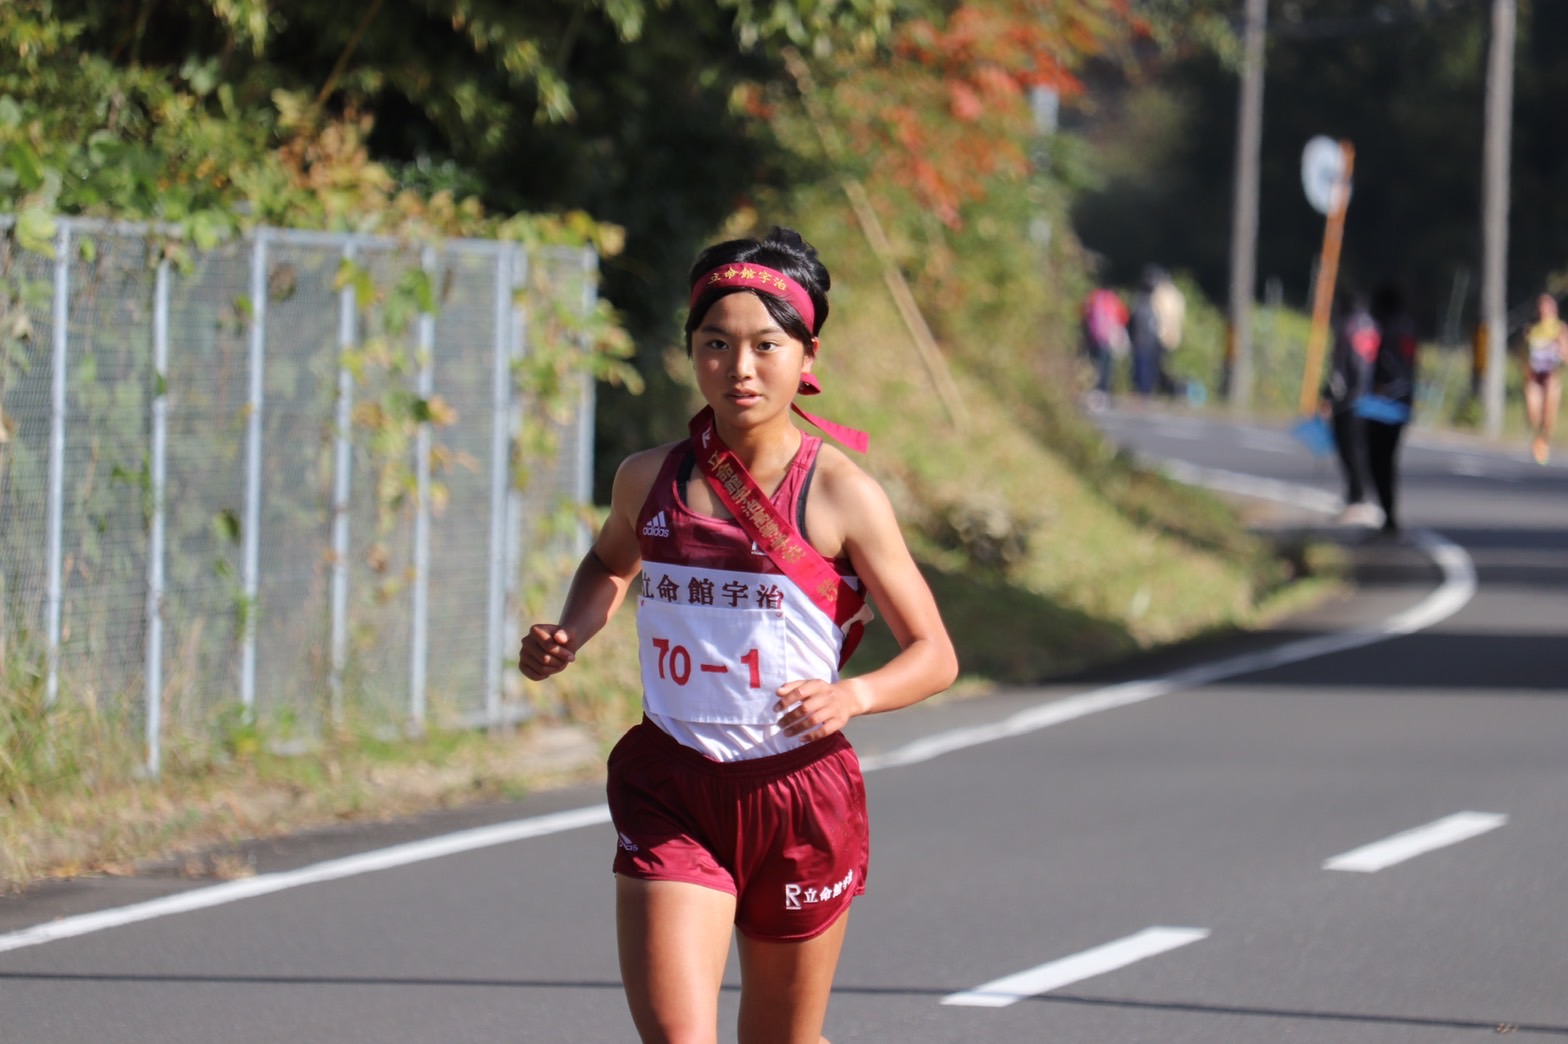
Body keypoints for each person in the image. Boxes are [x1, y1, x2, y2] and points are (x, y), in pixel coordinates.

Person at [518, 226, 958, 1044]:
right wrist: (570, 633)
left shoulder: (841, 493)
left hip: (797, 796)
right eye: (715, 344)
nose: (740, 368)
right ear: (691, 351)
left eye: (765, 345)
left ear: (807, 353)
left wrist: (851, 695)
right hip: (672, 786)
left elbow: (935, 654)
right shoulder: (646, 478)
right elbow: (609, 564)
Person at [1363, 280, 1419, 536]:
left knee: (1379, 460)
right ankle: (1389, 513)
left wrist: (1378, 391)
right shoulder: (1407, 328)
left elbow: (1388, 369)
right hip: (1402, 403)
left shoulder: (1389, 331)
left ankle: (1389, 514)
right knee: (1387, 460)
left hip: (1384, 404)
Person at [1321, 290, 1380, 526]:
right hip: (1371, 398)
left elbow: (1341, 367)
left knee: (1349, 449)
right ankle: (1361, 496)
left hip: (1349, 400)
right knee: (1363, 449)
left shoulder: (1346, 327)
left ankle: (1357, 497)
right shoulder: (1373, 326)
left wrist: (1328, 395)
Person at [1521, 292, 1565, 465]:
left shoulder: (1559, 329)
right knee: (1533, 414)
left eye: (1548, 308)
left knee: (1548, 415)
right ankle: (1537, 435)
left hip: (1551, 376)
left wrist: (1559, 348)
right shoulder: (1530, 329)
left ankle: (1543, 442)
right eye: (1541, 309)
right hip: (1534, 376)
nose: (1544, 312)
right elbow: (1522, 354)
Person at [1081, 286, 1128, 407]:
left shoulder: (1093, 297)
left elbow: (1083, 312)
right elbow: (1123, 317)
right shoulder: (1114, 300)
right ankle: (1104, 391)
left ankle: (1094, 390)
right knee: (1106, 367)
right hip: (1108, 339)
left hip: (1094, 338)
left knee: (1094, 365)